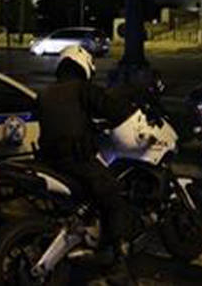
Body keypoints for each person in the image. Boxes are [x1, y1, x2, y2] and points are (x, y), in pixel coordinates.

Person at [36, 45, 137, 286]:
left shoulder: (45, 93)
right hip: (76, 161)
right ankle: (120, 263)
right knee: (115, 197)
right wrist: (131, 109)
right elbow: (111, 108)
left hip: (49, 161)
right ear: (84, 65)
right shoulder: (83, 89)